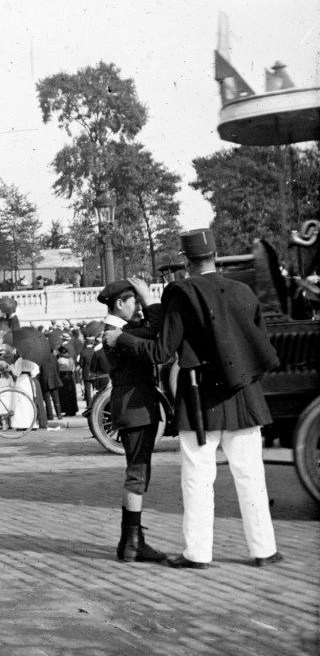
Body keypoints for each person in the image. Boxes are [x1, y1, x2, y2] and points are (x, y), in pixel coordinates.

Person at [105, 228, 282, 569]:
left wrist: (121, 339)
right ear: (215, 256)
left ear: (186, 260)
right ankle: (264, 550)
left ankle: (198, 553)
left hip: (200, 399)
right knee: (251, 476)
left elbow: (160, 352)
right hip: (244, 397)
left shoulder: (181, 293)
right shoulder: (244, 291)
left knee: (198, 479)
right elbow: (258, 344)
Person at [97, 277, 167, 563]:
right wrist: (150, 298)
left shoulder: (118, 329)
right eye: (134, 301)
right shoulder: (119, 331)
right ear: (119, 303)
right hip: (136, 408)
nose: (137, 307)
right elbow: (158, 329)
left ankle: (130, 541)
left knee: (138, 472)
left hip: (132, 407)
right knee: (137, 474)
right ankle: (133, 544)